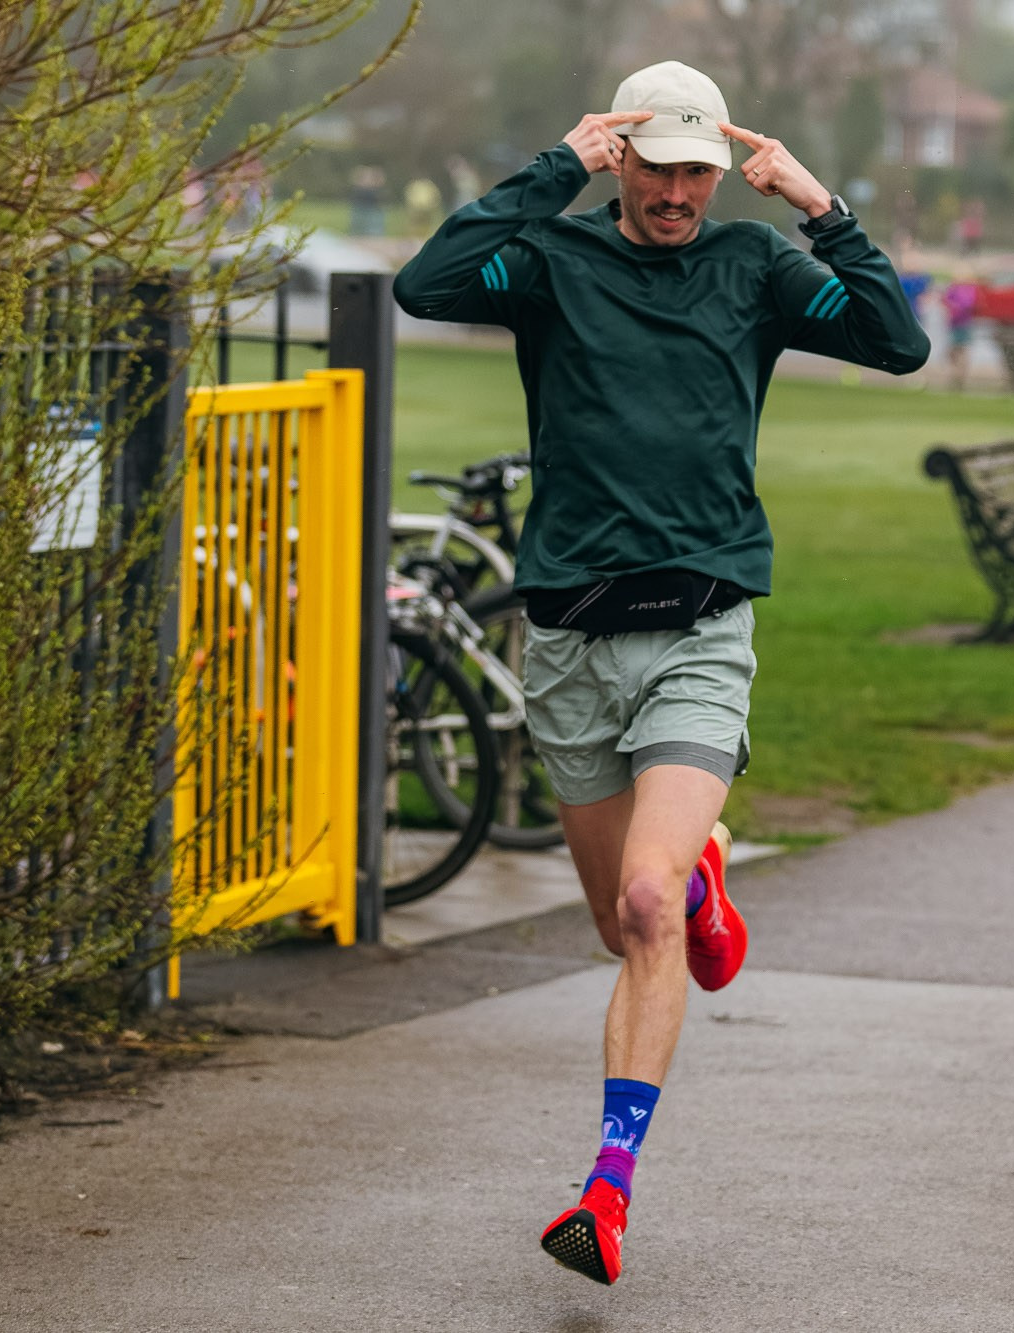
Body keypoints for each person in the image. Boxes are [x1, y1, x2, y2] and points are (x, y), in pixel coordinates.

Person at [392, 59, 929, 1286]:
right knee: (616, 923)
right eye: (661, 166)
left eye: (698, 168)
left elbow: (897, 342)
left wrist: (816, 204)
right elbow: (424, 282)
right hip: (571, 634)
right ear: (623, 160)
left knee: (639, 906)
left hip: (699, 620)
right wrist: (552, 166)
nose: (681, 190)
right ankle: (701, 881)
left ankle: (606, 1191)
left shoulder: (752, 267)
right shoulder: (552, 258)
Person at [942, 267, 979, 390]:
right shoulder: (954, 289)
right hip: (954, 324)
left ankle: (959, 375)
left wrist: (955, 307)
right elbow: (945, 299)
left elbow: (968, 305)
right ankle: (957, 373)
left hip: (963, 324)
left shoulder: (970, 290)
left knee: (961, 349)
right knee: (954, 350)